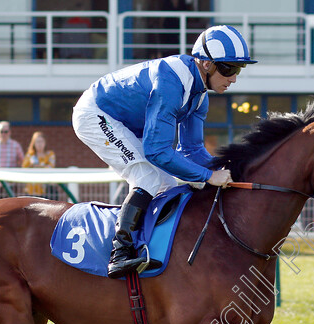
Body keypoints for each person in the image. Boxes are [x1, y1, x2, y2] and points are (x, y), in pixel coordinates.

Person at [72, 24, 255, 278]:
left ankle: (152, 250)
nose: (233, 78)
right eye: (228, 68)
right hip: (96, 113)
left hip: (126, 123)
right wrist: (208, 177)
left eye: (238, 70)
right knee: (147, 177)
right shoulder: (172, 83)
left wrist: (226, 170)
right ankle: (120, 253)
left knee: (168, 185)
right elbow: (157, 151)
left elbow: (191, 151)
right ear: (205, 64)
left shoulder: (200, 95)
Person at [21, 131, 57, 199]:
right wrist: (39, 166)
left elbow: (51, 166)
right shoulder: (30, 155)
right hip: (31, 189)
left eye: (41, 141)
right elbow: (24, 167)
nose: (39, 144)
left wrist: (37, 166)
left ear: (45, 143)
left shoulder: (50, 154)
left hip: (45, 188)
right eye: (37, 142)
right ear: (33, 143)